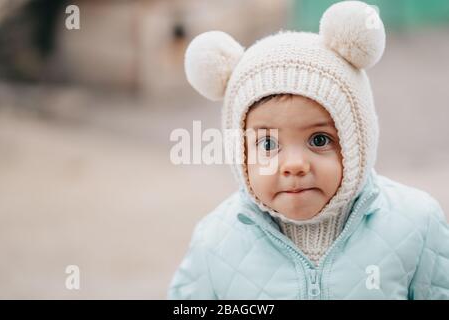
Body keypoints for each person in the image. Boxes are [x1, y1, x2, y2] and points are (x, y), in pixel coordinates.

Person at [168, 1, 449, 299]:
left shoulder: (415, 226)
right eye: (268, 144)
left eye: (319, 140)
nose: (294, 165)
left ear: (357, 142)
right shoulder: (215, 242)